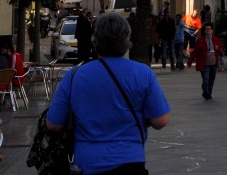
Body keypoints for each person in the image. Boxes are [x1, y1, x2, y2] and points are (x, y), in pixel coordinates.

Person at [46, 11, 170, 175]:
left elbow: (53, 124)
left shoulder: (74, 76)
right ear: (127, 40)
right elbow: (160, 121)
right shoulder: (142, 73)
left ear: (95, 40)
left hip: (87, 164)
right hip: (130, 162)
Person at [187, 22, 223, 100]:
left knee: (212, 78)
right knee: (206, 78)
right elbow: (195, 51)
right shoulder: (200, 40)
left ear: (212, 30)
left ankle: (208, 93)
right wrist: (190, 61)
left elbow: (220, 51)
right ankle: (205, 91)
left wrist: (217, 49)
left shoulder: (216, 39)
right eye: (206, 29)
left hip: (214, 61)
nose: (207, 30)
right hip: (204, 62)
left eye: (209, 29)